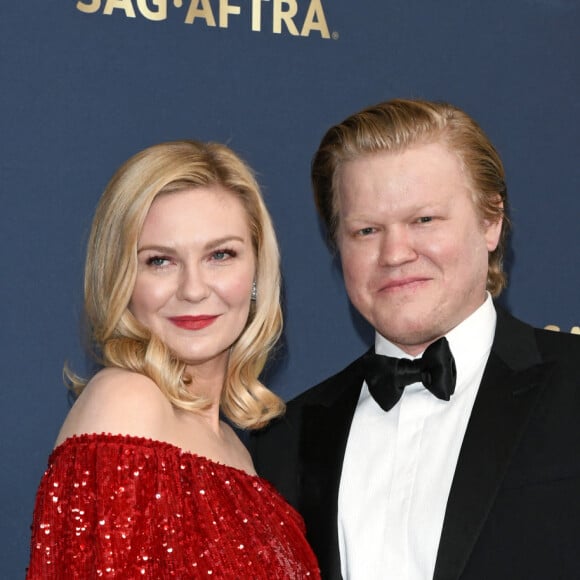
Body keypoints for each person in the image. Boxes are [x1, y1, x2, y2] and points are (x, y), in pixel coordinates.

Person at [251, 99, 580, 579]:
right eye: (366, 230)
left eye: (424, 220)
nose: (395, 253)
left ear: (491, 222)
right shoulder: (284, 440)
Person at [27, 140, 320, 579]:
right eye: (160, 261)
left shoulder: (238, 450)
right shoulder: (126, 404)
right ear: (123, 280)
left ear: (257, 273)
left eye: (221, 255)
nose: (194, 289)